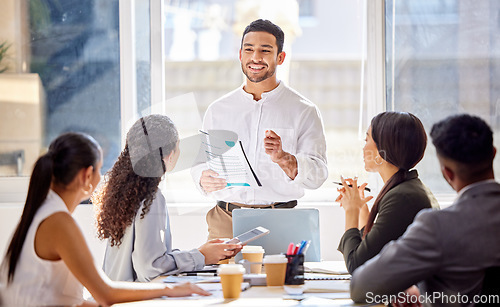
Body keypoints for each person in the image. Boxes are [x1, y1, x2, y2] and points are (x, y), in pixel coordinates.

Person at [0, 132, 210, 306]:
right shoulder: (59, 222)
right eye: (99, 170)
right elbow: (105, 293)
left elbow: (73, 300)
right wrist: (169, 289)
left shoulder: (42, 212)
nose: (102, 177)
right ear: (86, 175)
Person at [190, 19, 328, 240]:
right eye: (249, 50)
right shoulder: (218, 110)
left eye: (265, 50)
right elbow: (200, 164)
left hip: (282, 222)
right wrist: (202, 178)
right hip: (226, 220)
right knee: (220, 276)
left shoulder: (304, 111)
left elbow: (319, 174)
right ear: (240, 55)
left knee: (281, 277)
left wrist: (284, 159)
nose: (255, 58)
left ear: (280, 57)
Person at [350, 114, 500, 306]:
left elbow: (361, 287)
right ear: (493, 153)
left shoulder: (437, 226)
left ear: (447, 172)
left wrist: (425, 295)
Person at [93, 115, 241, 282]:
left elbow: (149, 260)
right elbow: (150, 268)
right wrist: (201, 256)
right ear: (169, 155)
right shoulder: (151, 198)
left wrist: (200, 253)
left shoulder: (124, 191)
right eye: (178, 147)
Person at [336, 111, 438, 274]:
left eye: (367, 139)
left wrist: (351, 211)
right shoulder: (408, 187)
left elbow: (357, 265)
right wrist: (362, 210)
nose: (363, 148)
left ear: (381, 151)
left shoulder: (402, 197)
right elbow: (372, 249)